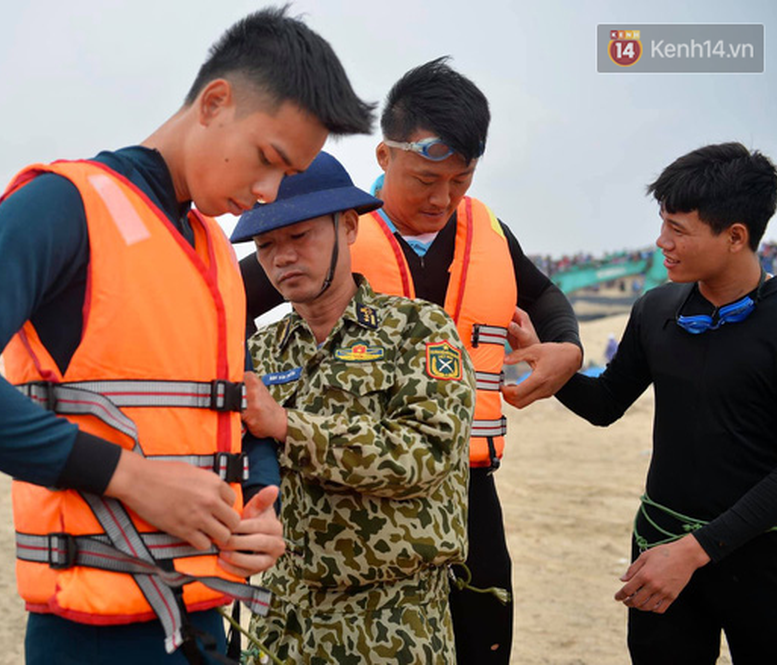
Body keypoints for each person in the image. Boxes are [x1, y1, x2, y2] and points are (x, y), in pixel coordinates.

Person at [0, 7, 375, 664]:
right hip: (95, 635)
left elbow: (236, 405)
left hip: (206, 621)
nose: (267, 192)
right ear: (215, 103)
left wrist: (264, 501)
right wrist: (131, 477)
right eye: (268, 159)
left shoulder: (210, 250)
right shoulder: (65, 205)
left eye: (285, 176)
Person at [239, 57, 582, 663]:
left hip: (468, 488)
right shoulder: (315, 230)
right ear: (385, 157)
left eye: (461, 180)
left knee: (483, 639)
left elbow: (546, 296)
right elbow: (226, 301)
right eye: (426, 179)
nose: (442, 197)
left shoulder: (487, 232)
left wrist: (568, 347)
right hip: (339, 508)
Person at [519, 142, 777, 663]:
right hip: (660, 544)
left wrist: (695, 551)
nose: (662, 241)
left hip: (764, 555)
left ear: (736, 237)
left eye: (678, 229)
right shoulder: (657, 308)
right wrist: (554, 365)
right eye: (663, 223)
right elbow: (605, 404)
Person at [230, 152, 476, 664]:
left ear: (348, 226)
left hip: (389, 620)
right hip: (280, 618)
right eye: (266, 245)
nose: (282, 257)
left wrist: (287, 425)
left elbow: (424, 454)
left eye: (300, 236)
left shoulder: (417, 330)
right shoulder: (261, 350)